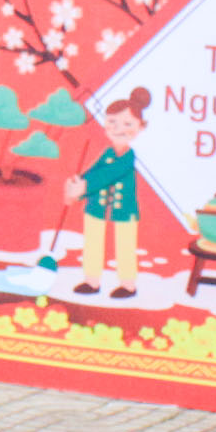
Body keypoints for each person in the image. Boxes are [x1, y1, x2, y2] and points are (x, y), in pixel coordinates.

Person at [70, 89, 151, 300]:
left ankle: (128, 285)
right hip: (96, 206)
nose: (118, 129)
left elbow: (108, 175)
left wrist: (85, 186)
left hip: (124, 210)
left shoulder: (128, 157)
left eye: (127, 124)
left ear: (140, 127)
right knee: (93, 242)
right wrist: (78, 184)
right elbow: (94, 171)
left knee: (125, 246)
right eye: (112, 122)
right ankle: (92, 281)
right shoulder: (107, 153)